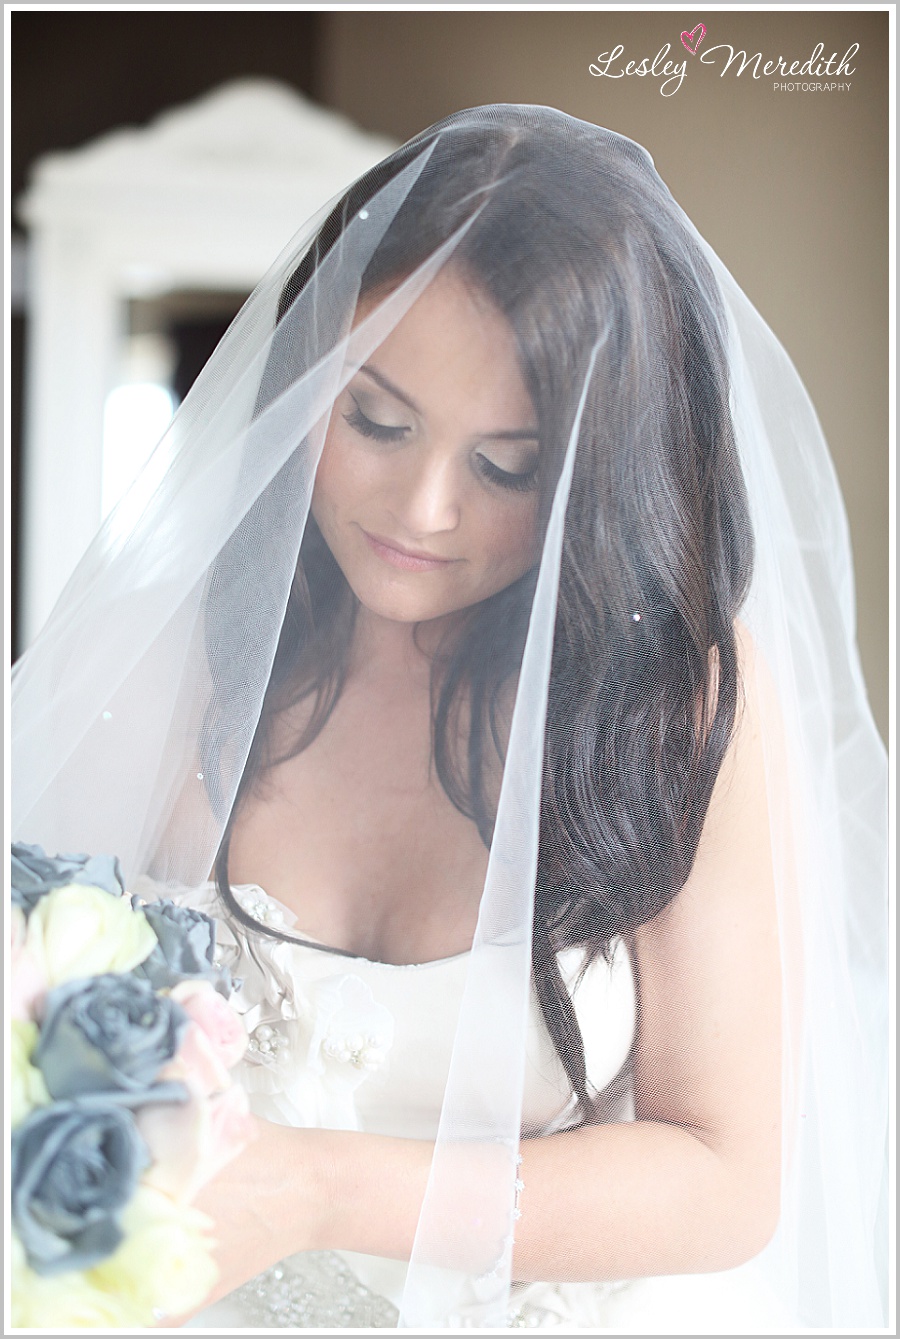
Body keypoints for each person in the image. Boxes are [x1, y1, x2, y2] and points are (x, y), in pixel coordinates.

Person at [11, 107, 887, 1331]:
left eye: (507, 466)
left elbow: (726, 1180)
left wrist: (316, 1189)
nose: (421, 508)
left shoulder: (676, 706)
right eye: (376, 421)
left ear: (596, 474)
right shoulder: (175, 652)